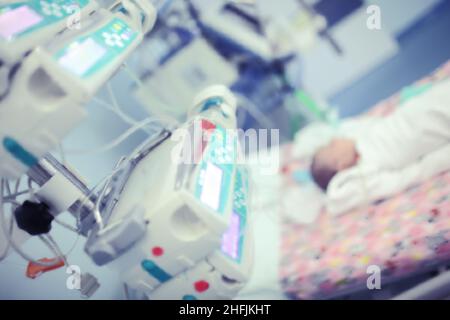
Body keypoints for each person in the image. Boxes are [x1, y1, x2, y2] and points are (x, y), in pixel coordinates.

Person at [310, 78, 450, 216]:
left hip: (415, 112)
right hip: (425, 126)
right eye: (332, 146)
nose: (335, 139)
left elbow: (371, 124)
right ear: (341, 164)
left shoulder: (363, 139)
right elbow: (411, 175)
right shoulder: (366, 171)